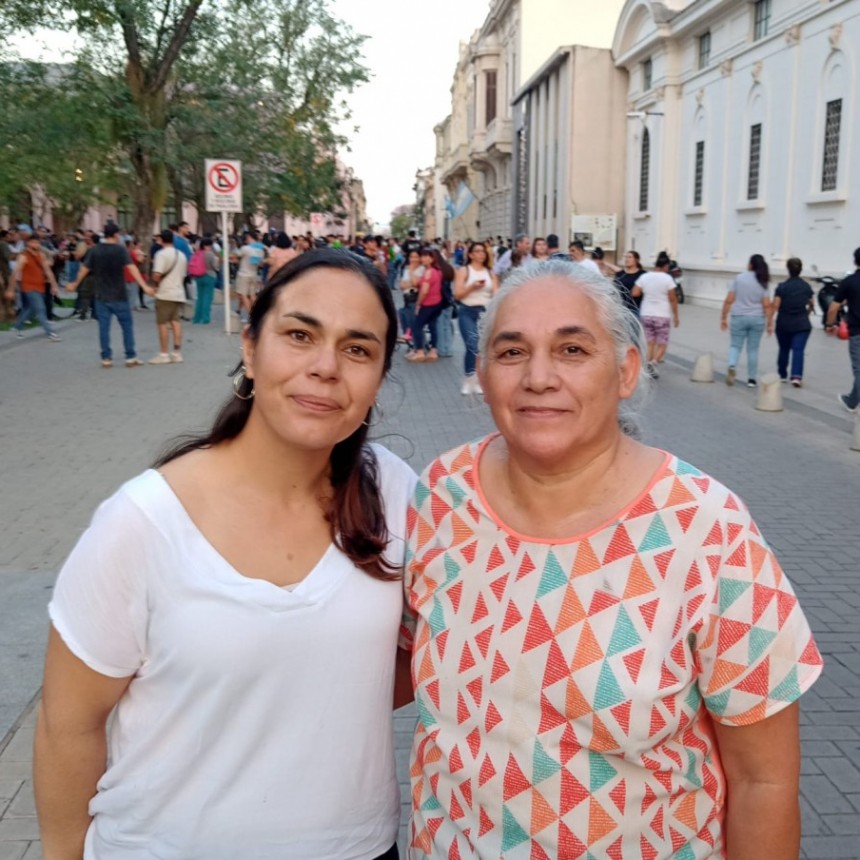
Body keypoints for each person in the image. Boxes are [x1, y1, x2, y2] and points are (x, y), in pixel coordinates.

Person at [400, 259, 823, 859]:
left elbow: (765, 781)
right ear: (484, 371)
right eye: (512, 352)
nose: (538, 377)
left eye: (572, 350)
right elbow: (398, 662)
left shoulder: (705, 527)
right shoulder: (442, 494)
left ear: (625, 371)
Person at [34, 248, 417, 860]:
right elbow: (68, 725)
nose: (325, 367)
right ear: (250, 347)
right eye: (299, 335)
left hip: (357, 848)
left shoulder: (397, 495)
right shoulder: (144, 523)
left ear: (379, 376)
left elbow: (421, 659)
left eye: (357, 349)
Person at [67, 223, 151, 367]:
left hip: (101, 295)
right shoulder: (121, 250)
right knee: (127, 326)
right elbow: (132, 268)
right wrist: (144, 286)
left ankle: (106, 358)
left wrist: (75, 283)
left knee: (104, 328)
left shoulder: (95, 250)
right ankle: (130, 357)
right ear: (116, 235)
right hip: (119, 294)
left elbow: (84, 269)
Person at [453, 240, 498, 395]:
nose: (481, 254)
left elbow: (496, 294)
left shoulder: (490, 272)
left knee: (483, 348)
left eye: (483, 251)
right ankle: (469, 378)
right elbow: (457, 294)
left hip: (485, 313)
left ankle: (477, 380)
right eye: (477, 251)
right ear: (471, 255)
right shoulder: (464, 271)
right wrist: (472, 287)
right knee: (472, 345)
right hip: (467, 311)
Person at [721, 254, 772, 388]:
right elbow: (766, 305)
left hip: (738, 316)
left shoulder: (739, 278)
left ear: (750, 264)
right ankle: (752, 379)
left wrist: (723, 317)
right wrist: (770, 323)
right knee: (753, 349)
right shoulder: (763, 280)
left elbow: (729, 299)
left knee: (735, 346)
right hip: (757, 318)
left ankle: (732, 365)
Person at [631, 251, 679, 378]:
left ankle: (648, 365)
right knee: (662, 343)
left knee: (650, 342)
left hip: (646, 313)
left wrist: (648, 292)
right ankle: (653, 362)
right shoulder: (667, 279)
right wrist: (676, 316)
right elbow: (673, 299)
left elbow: (635, 292)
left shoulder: (645, 277)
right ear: (666, 266)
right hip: (662, 314)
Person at [6, 232, 61, 341]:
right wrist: (10, 289)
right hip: (29, 286)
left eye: (37, 242)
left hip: (40, 286)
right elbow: (15, 273)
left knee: (31, 308)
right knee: (41, 308)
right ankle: (50, 332)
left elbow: (48, 271)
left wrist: (54, 285)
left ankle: (17, 326)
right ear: (28, 243)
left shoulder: (41, 255)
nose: (36, 245)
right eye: (33, 242)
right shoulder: (23, 256)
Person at [826, 246, 860, 413]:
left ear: (855, 261)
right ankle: (852, 401)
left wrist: (830, 324)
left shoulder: (849, 281)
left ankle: (853, 401)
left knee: (859, 368)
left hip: (857, 332)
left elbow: (833, 307)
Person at [772, 258, 814, 388]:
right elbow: (811, 304)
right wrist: (806, 314)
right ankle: (796, 376)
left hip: (784, 323)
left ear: (788, 269)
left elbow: (776, 305)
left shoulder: (782, 287)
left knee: (784, 349)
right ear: (801, 269)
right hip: (802, 323)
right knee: (798, 349)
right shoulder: (806, 286)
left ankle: (782, 374)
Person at [149, 229, 187, 364]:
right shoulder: (181, 255)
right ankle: (177, 352)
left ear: (161, 240)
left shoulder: (161, 254)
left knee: (162, 323)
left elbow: (157, 274)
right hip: (178, 291)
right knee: (176, 322)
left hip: (165, 293)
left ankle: (164, 353)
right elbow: (183, 275)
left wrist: (154, 285)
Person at [406, 247, 444, 362]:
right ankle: (433, 350)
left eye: (426, 256)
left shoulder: (428, 272)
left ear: (432, 258)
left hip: (428, 303)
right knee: (432, 326)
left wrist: (418, 304)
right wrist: (411, 271)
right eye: (422, 256)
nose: (423, 258)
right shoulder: (437, 271)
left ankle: (420, 351)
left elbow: (424, 291)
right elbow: (417, 283)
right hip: (437, 303)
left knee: (417, 326)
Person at [398, 248, 424, 347]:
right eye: (411, 257)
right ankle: (413, 345)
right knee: (405, 319)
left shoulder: (422, 269)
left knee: (415, 323)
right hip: (407, 298)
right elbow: (401, 285)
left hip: (415, 298)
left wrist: (412, 272)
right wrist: (409, 283)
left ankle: (420, 347)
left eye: (416, 257)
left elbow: (416, 283)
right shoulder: (406, 269)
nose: (413, 259)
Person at [192, 237, 221, 325]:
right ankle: (205, 318)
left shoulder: (197, 253)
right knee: (207, 298)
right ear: (209, 245)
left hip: (198, 276)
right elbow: (215, 266)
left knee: (200, 297)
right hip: (209, 276)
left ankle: (197, 318)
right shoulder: (210, 254)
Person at [614, 249, 645, 316]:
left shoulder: (642, 274)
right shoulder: (620, 274)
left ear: (637, 260)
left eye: (630, 257)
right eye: (626, 257)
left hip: (636, 309)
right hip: (621, 309)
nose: (627, 259)